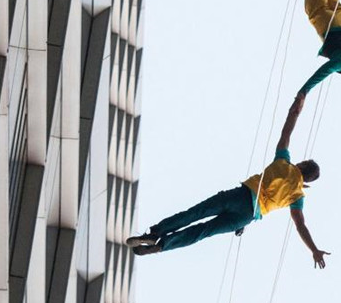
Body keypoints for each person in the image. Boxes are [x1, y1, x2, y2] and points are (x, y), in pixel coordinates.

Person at [127, 93, 330, 268]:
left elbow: (287, 130)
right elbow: (300, 225)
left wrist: (297, 106)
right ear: (308, 180)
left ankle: (155, 233)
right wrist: (314, 249)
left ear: (302, 165)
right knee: (203, 232)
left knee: (195, 213)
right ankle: (161, 246)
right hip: (247, 217)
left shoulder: (284, 162)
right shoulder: (297, 197)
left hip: (240, 196)